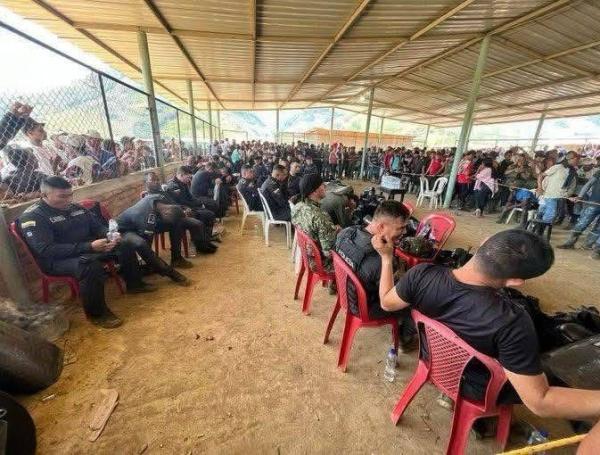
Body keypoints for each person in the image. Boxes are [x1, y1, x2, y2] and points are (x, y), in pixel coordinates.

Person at [377, 229, 600, 425]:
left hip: (433, 361)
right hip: (477, 388)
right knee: (563, 368)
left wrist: (387, 259)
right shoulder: (513, 322)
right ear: (515, 281)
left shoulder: (421, 274)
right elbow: (540, 402)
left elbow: (387, 302)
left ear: (484, 243)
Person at [18, 176, 156, 328]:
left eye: (70, 194)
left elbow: (97, 227)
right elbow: (46, 250)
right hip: (56, 261)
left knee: (125, 244)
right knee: (90, 265)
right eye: (62, 196)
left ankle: (135, 284)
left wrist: (110, 237)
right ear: (44, 195)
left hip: (87, 248)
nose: (68, 199)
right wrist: (89, 247)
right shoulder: (33, 216)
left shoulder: (76, 208)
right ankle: (98, 315)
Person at [335, 201, 414, 349]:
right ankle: (405, 338)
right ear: (381, 227)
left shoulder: (346, 232)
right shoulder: (380, 261)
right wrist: (388, 259)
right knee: (414, 298)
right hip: (363, 308)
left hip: (345, 293)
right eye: (400, 228)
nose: (404, 232)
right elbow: (389, 301)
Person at [291, 174, 337, 271]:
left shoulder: (297, 206)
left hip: (305, 256)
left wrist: (331, 230)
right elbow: (329, 253)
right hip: (320, 262)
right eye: (322, 184)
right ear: (315, 191)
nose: (325, 186)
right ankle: (336, 284)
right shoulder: (321, 216)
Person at [166, 166, 221, 237]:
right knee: (208, 214)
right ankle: (201, 237)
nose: (189, 180)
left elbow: (191, 197)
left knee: (209, 211)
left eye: (190, 178)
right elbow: (179, 202)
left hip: (189, 206)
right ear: (181, 175)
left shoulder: (183, 183)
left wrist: (200, 203)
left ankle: (205, 236)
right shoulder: (173, 186)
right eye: (188, 177)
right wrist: (196, 205)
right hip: (182, 210)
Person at [557, 169, 600, 249]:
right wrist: (580, 196)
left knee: (598, 228)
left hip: (594, 203)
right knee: (582, 223)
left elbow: (588, 184)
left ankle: (587, 245)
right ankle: (570, 243)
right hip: (594, 202)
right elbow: (589, 184)